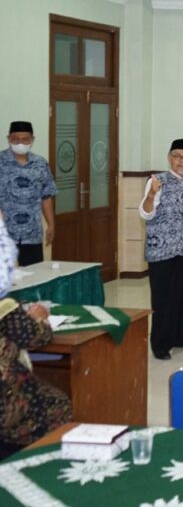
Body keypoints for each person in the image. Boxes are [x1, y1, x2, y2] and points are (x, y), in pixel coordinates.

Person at [0, 212, 71, 459]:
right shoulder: (5, 306)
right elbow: (37, 337)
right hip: (6, 400)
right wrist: (39, 318)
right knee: (58, 403)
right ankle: (30, 463)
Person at [138, 138, 183, 359]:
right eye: (177, 156)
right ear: (169, 158)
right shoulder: (157, 181)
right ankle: (160, 343)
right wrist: (151, 194)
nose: (181, 161)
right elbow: (145, 213)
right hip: (162, 250)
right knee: (164, 299)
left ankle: (181, 337)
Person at [0, 121, 56, 266]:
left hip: (32, 233)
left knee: (34, 274)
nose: (20, 143)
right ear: (9, 138)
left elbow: (46, 196)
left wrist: (51, 224)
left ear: (32, 139)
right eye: (16, 139)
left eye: (25, 139)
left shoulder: (40, 163)